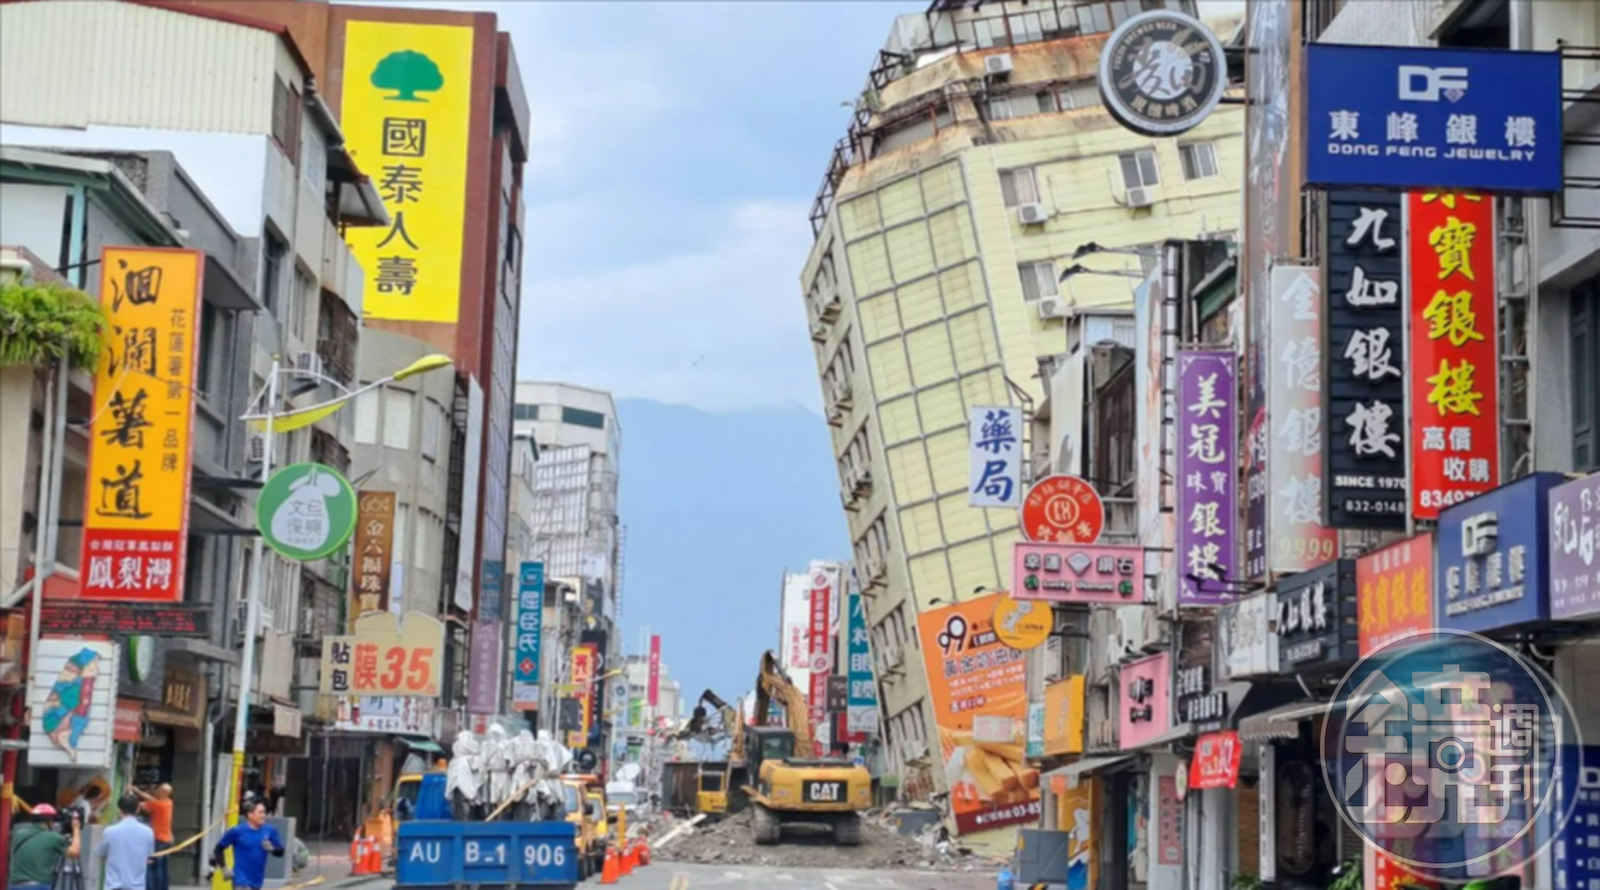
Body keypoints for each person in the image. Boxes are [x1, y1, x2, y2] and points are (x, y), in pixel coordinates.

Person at [210, 801, 284, 890]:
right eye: (260, 812)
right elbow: (218, 849)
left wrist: (272, 849)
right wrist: (224, 868)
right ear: (250, 815)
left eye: (264, 812)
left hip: (257, 881)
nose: (263, 815)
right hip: (241, 880)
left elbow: (281, 851)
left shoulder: (270, 830)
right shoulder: (237, 831)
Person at [8, 805, 79, 890]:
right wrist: (76, 829)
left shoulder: (18, 834)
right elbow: (74, 853)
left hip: (14, 885)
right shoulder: (53, 837)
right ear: (48, 821)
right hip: (37, 885)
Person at [95, 796, 154, 890]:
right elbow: (148, 857)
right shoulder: (148, 832)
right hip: (137, 887)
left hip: (113, 886)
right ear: (138, 809)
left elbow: (101, 854)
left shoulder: (110, 831)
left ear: (119, 810)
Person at [129, 785, 174, 890]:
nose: (156, 790)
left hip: (157, 839)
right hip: (167, 839)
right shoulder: (168, 803)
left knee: (153, 866)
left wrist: (131, 794)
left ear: (162, 793)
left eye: (158, 789)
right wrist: (138, 791)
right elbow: (152, 800)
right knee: (163, 867)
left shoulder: (158, 805)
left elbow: (137, 805)